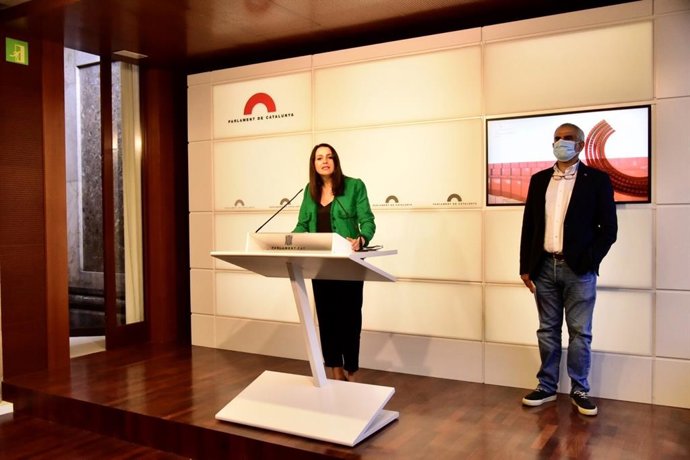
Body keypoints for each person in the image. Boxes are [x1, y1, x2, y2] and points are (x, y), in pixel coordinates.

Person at [519, 123, 617, 416]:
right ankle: (547, 386)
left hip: (579, 270)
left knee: (579, 332)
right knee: (547, 330)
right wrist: (525, 267)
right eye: (557, 138)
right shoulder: (538, 180)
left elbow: (609, 229)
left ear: (582, 145)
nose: (561, 142)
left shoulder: (597, 180)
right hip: (543, 268)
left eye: (568, 138)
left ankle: (579, 389)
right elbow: (529, 227)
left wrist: (590, 260)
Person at [293, 143, 375, 382]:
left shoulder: (354, 186)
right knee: (327, 318)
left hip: (348, 263)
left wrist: (362, 238)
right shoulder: (310, 190)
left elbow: (367, 221)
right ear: (314, 164)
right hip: (321, 264)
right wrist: (288, 240)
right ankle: (335, 370)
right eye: (319, 158)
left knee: (349, 318)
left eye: (329, 157)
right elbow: (302, 225)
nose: (324, 161)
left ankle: (352, 369)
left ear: (336, 161)